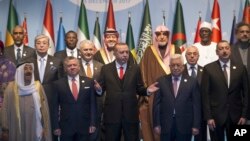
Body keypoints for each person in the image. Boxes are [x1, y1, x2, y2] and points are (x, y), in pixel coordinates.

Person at [95, 43, 158, 141]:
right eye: (121, 52)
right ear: (115, 53)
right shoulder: (106, 69)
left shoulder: (135, 68)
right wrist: (98, 89)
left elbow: (139, 88)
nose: (125, 54)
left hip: (130, 115)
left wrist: (147, 90)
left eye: (127, 52)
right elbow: (101, 90)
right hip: (112, 115)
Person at [139, 25, 181, 141]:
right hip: (154, 96)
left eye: (165, 34)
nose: (162, 37)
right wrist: (146, 91)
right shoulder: (149, 50)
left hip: (174, 95)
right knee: (155, 130)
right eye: (158, 34)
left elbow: (182, 69)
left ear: (169, 36)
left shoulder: (175, 49)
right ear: (155, 36)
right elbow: (143, 71)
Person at [201, 40, 249, 141]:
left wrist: (245, 115)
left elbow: (247, 93)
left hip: (238, 117)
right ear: (216, 52)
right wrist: (208, 117)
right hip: (215, 117)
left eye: (227, 48)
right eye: (221, 48)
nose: (224, 51)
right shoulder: (208, 69)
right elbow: (205, 95)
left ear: (230, 50)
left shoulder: (241, 68)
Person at [153, 54, 201, 141]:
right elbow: (157, 105)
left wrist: (196, 125)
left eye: (178, 65)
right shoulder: (161, 81)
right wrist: (156, 124)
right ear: (169, 67)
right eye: (173, 65)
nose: (175, 67)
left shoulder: (192, 82)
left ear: (183, 67)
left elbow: (196, 105)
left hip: (185, 125)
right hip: (166, 125)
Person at [1, 63, 52, 141]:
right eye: (25, 68)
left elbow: (45, 110)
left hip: (34, 126)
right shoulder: (11, 87)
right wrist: (5, 129)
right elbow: (4, 109)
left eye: (31, 69)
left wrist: (46, 128)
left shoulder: (38, 87)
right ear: (19, 71)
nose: (29, 71)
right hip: (16, 127)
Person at [52, 56, 97, 141]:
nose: (72, 67)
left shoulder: (89, 81)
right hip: (66, 127)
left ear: (79, 67)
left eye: (74, 65)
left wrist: (93, 123)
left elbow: (93, 104)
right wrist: (55, 126)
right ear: (65, 69)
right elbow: (54, 107)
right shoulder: (58, 84)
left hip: (85, 125)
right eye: (69, 66)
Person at [79, 40, 104, 141]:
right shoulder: (74, 65)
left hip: (97, 107)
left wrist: (99, 90)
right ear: (80, 51)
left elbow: (103, 88)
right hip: (79, 107)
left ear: (94, 51)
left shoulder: (101, 66)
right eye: (85, 50)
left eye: (90, 49)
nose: (88, 52)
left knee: (95, 136)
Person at [183, 46, 205, 141]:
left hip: (200, 114)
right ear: (185, 56)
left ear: (198, 56)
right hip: (183, 114)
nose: (192, 56)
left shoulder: (205, 71)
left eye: (195, 54)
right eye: (189, 54)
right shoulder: (178, 70)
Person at [231, 22, 250, 119]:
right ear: (236, 34)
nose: (245, 34)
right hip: (237, 99)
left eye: (247, 32)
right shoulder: (229, 50)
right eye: (242, 32)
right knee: (240, 132)